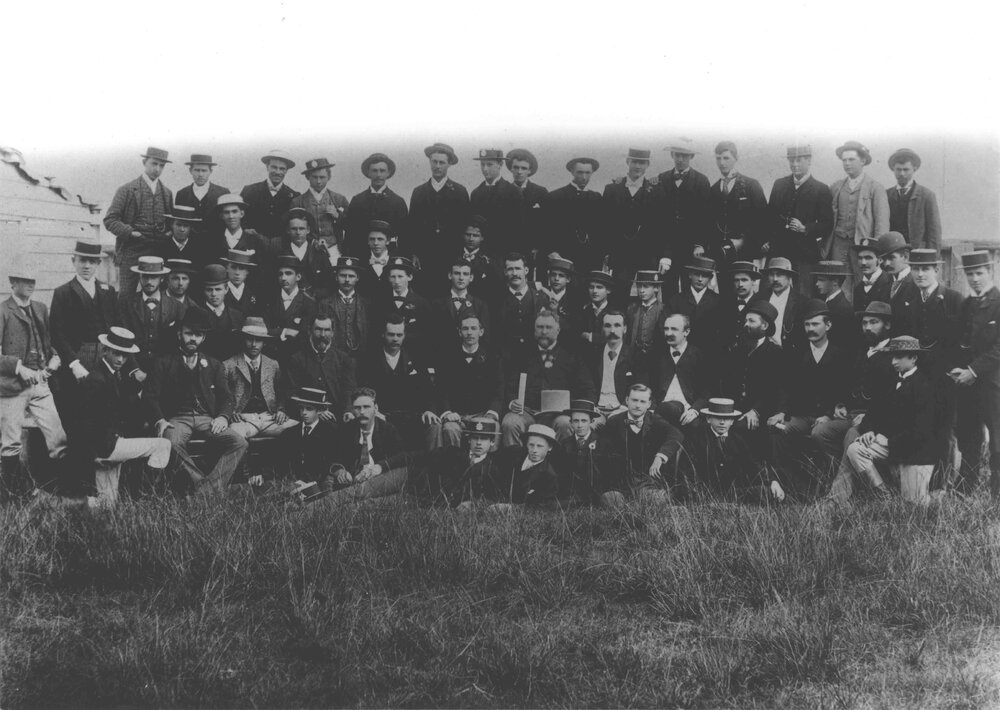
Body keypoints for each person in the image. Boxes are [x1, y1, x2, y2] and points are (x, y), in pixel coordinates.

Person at [144, 308, 248, 495]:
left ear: (204, 338)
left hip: (206, 418)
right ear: (179, 334)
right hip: (177, 418)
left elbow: (227, 397)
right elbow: (150, 396)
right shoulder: (163, 362)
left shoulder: (214, 364)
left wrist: (223, 417)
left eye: (198, 335)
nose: (193, 338)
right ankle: (205, 488)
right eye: (189, 333)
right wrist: (160, 420)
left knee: (239, 442)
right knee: (171, 442)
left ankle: (207, 489)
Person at [827, 336, 937, 505]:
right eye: (893, 357)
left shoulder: (924, 386)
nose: (894, 361)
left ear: (914, 358)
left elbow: (922, 431)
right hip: (891, 449)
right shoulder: (891, 381)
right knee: (855, 449)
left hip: (916, 453)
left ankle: (936, 495)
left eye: (899, 357)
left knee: (914, 507)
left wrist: (889, 441)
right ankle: (882, 495)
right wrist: (870, 429)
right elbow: (875, 412)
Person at [77, 328, 172, 509]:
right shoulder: (97, 379)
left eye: (125, 356)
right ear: (105, 350)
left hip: (107, 445)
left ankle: (64, 504)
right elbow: (85, 420)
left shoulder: (111, 374)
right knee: (163, 445)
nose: (121, 359)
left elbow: (117, 407)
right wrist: (93, 454)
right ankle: (147, 499)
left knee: (106, 505)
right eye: (116, 354)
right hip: (106, 447)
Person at [0, 265, 68, 497]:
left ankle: (60, 492)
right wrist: (18, 367)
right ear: (13, 283)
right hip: (12, 389)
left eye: (33, 281)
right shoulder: (3, 311)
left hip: (40, 384)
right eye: (24, 280)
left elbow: (46, 343)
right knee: (10, 443)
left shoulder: (39, 308)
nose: (30, 284)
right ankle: (12, 496)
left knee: (58, 438)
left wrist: (55, 358)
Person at [769, 299, 853, 479]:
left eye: (815, 324)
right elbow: (785, 386)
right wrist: (781, 411)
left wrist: (829, 414)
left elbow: (845, 390)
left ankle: (831, 480)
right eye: (807, 324)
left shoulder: (842, 355)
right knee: (779, 429)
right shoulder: (796, 354)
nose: (810, 329)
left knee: (819, 434)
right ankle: (781, 482)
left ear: (828, 325)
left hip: (827, 416)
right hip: (802, 415)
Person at [501, 311, 596, 446]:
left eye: (548, 327)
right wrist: (512, 402)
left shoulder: (572, 355)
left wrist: (575, 410)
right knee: (510, 423)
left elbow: (588, 389)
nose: (544, 331)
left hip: (560, 414)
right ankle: (515, 464)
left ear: (558, 330)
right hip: (528, 412)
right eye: (540, 327)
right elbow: (510, 386)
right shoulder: (522, 353)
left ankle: (562, 464)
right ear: (534, 330)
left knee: (565, 424)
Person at [950, 251, 1000, 497]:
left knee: (998, 442)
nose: (975, 279)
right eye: (970, 274)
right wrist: (958, 369)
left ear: (989, 272)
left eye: (979, 273)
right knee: (968, 438)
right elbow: (961, 341)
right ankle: (964, 489)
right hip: (968, 386)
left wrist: (973, 370)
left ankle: (997, 495)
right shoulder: (967, 304)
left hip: (993, 384)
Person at [358, 315, 441, 451]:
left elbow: (429, 390)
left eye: (399, 335)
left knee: (434, 425)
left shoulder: (416, 358)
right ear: (383, 334)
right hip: (383, 415)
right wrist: (373, 410)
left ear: (404, 336)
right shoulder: (369, 359)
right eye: (391, 334)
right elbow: (363, 391)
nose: (395, 339)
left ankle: (433, 468)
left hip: (411, 417)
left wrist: (429, 410)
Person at [684, 398, 785, 503]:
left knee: (769, 492)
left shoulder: (737, 440)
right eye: (718, 418)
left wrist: (772, 481)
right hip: (706, 492)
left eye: (727, 418)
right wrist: (702, 494)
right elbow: (689, 471)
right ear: (708, 419)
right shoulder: (697, 438)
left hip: (735, 492)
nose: (722, 422)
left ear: (732, 421)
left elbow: (753, 465)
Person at [103, 147, 174, 295]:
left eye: (162, 166)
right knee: (126, 296)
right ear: (144, 162)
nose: (157, 169)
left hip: (159, 251)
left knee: (158, 295)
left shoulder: (167, 193)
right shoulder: (127, 190)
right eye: (154, 164)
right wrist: (130, 233)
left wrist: (168, 233)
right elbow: (110, 220)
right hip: (132, 250)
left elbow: (171, 222)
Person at [322, 387, 412, 502]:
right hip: (351, 480)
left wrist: (378, 468)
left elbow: (401, 458)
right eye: (357, 408)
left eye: (366, 407)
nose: (362, 412)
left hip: (379, 479)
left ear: (376, 408)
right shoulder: (346, 430)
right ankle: (329, 503)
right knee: (328, 479)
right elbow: (332, 457)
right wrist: (340, 471)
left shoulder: (388, 430)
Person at [599, 384, 684, 504]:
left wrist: (660, 456)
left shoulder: (655, 421)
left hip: (645, 481)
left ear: (649, 404)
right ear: (627, 400)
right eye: (634, 400)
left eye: (642, 401)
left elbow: (676, 434)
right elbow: (603, 453)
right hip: (619, 481)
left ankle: (643, 499)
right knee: (610, 500)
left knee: (657, 499)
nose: (638, 405)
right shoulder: (614, 422)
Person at [765, 145, 833, 292]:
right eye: (791, 160)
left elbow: (827, 224)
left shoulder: (821, 189)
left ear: (809, 160)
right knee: (770, 290)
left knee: (803, 293)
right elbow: (769, 216)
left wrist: (805, 228)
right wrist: (767, 240)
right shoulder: (779, 184)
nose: (794, 164)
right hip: (778, 249)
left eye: (799, 160)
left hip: (804, 253)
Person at [720, 300, 783, 459]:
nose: (746, 324)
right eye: (745, 320)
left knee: (739, 430)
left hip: (762, 409)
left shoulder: (774, 353)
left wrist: (755, 411)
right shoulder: (736, 348)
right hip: (735, 407)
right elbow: (728, 382)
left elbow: (773, 389)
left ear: (764, 326)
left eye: (751, 321)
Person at [50, 241, 123, 378]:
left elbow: (117, 324)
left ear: (98, 263)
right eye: (82, 260)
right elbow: (56, 333)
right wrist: (74, 363)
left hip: (106, 355)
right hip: (78, 356)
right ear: (73, 261)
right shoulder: (63, 292)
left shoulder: (109, 291)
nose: (87, 266)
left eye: (92, 261)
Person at [827, 141, 890, 292]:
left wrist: (876, 251)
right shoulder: (836, 187)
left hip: (863, 247)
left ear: (862, 161)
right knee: (838, 283)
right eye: (844, 160)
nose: (847, 164)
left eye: (851, 160)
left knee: (863, 284)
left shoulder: (875, 188)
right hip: (839, 245)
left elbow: (882, 224)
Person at [407, 142, 470, 288]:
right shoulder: (419, 192)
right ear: (429, 162)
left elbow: (464, 224)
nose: (437, 166)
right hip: (424, 255)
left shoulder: (460, 192)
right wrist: (414, 253)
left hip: (450, 254)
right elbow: (412, 225)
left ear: (449, 165)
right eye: (434, 162)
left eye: (442, 162)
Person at [223, 318, 297, 441]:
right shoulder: (229, 365)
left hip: (269, 418)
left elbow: (280, 391)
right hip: (243, 419)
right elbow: (223, 395)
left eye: (258, 340)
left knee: (297, 429)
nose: (253, 344)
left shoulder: (273, 364)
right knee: (235, 436)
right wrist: (230, 413)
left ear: (264, 342)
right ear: (243, 339)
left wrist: (281, 410)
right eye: (249, 339)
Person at [405, 417, 500, 509]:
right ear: (469, 440)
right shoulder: (453, 453)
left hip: (440, 508)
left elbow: (493, 498)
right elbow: (424, 457)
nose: (478, 443)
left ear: (492, 442)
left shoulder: (493, 467)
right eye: (475, 438)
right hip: (412, 479)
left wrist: (473, 504)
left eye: (483, 439)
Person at [655, 139, 711, 294]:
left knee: (690, 289)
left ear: (691, 157)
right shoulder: (662, 178)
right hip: (667, 246)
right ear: (672, 155)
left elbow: (705, 217)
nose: (680, 159)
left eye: (684, 156)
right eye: (677, 155)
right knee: (668, 288)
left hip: (691, 246)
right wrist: (664, 252)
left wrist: (699, 244)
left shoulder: (701, 181)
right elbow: (658, 216)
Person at [437, 314, 503, 446]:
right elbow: (441, 388)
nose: (469, 332)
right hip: (456, 416)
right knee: (450, 429)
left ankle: (487, 466)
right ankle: (453, 466)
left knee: (492, 427)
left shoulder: (492, 357)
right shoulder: (447, 357)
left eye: (473, 328)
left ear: (481, 332)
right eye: (465, 329)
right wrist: (447, 412)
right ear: (459, 332)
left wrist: (491, 413)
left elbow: (499, 388)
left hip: (482, 414)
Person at [282, 313, 358, 423]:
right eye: (318, 329)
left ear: (332, 333)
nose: (322, 335)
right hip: (308, 417)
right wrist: (317, 412)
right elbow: (291, 393)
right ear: (310, 331)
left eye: (327, 330)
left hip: (338, 416)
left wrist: (348, 411)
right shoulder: (297, 359)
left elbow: (349, 390)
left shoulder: (343, 359)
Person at [703, 141, 768, 267]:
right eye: (718, 158)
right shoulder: (714, 189)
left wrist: (744, 241)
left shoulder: (751, 185)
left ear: (736, 158)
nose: (722, 163)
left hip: (744, 251)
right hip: (719, 253)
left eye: (726, 158)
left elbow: (762, 219)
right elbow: (710, 222)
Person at [602, 148, 660, 287]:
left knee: (646, 293)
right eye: (634, 162)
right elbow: (604, 223)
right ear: (628, 162)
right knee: (619, 294)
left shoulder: (657, 190)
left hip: (647, 254)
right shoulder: (612, 189)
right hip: (620, 253)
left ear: (648, 165)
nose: (638, 166)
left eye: (642, 163)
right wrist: (606, 251)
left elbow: (661, 224)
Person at [119, 256, 184, 375]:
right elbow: (123, 340)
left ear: (162, 278)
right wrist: (134, 369)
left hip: (165, 372)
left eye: (154, 277)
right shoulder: (126, 304)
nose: (149, 282)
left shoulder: (175, 306)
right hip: (133, 370)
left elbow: (178, 344)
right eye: (145, 276)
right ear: (139, 277)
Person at [543, 157, 605, 274]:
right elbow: (546, 227)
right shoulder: (556, 197)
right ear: (572, 172)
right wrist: (551, 250)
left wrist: (600, 253)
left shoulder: (597, 198)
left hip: (591, 257)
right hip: (564, 255)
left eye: (588, 173)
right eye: (580, 172)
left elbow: (601, 228)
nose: (584, 177)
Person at [273, 388, 338, 495]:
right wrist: (292, 480)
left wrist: (311, 481)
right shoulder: (289, 433)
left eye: (309, 409)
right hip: (294, 483)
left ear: (320, 410)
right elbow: (281, 461)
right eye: (301, 408)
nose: (304, 413)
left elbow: (330, 461)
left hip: (320, 482)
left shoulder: (329, 433)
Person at [482, 424, 560, 510]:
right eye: (531, 445)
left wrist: (511, 508)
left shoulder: (549, 475)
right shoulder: (513, 453)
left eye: (540, 446)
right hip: (490, 499)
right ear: (526, 444)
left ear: (550, 448)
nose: (534, 450)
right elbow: (491, 459)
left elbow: (541, 505)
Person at [653, 313, 712, 428]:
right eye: (666, 329)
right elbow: (649, 384)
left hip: (688, 411)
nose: (668, 333)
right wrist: (651, 407)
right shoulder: (656, 355)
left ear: (686, 332)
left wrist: (695, 410)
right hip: (660, 410)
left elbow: (707, 390)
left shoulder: (699, 356)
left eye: (674, 329)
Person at [344, 153, 408, 257]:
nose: (378, 175)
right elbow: (350, 235)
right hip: (361, 255)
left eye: (382, 171)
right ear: (368, 173)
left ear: (388, 173)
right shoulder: (358, 201)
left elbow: (404, 235)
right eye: (374, 171)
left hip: (390, 256)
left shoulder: (398, 202)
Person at [372, 256, 433, 362]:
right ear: (388, 278)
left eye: (400, 276)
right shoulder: (380, 302)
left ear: (410, 277)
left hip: (414, 357)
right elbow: (376, 331)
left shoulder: (421, 303)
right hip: (386, 358)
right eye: (393, 277)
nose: (396, 281)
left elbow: (427, 334)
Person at [586, 309, 643, 418]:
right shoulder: (592, 355)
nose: (612, 330)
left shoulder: (636, 356)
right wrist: (591, 408)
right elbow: (587, 385)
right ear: (602, 329)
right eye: (607, 325)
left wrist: (625, 408)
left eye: (617, 325)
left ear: (625, 329)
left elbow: (639, 386)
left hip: (622, 409)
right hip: (596, 409)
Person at [470, 149, 525, 258]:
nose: (485, 169)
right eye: (482, 164)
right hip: (481, 254)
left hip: (504, 252)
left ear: (500, 165)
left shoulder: (513, 192)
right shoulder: (476, 193)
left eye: (489, 164)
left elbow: (518, 228)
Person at [665, 255, 723, 355]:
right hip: (681, 354)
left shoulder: (718, 302)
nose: (700, 279)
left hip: (709, 355)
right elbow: (666, 327)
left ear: (710, 277)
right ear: (690, 275)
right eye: (696, 274)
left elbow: (722, 333)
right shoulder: (676, 300)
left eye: (704, 275)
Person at [886, 148, 941, 251]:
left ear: (914, 169)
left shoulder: (926, 195)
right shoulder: (886, 195)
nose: (902, 173)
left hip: (917, 253)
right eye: (898, 169)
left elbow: (934, 232)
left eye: (906, 169)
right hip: (893, 252)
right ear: (893, 169)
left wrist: (933, 258)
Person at [430, 258, 492, 349]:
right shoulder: (437, 304)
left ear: (471, 278)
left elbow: (485, 337)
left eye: (465, 274)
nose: (461, 278)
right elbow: (432, 335)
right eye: (457, 273)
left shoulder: (480, 305)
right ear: (450, 275)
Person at [497, 252, 549, 357]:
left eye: (518, 268)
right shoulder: (497, 300)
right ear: (505, 272)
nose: (515, 273)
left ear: (526, 270)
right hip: (506, 359)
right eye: (510, 269)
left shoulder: (541, 298)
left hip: (534, 358)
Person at [240, 150, 300, 240]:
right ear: (267, 167)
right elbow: (239, 218)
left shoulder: (294, 196)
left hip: (281, 249)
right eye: (274, 167)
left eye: (282, 169)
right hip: (252, 246)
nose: (277, 172)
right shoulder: (249, 191)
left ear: (286, 171)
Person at [291, 157, 349, 249]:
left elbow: (350, 226)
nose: (318, 181)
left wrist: (338, 216)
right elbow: (292, 230)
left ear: (329, 177)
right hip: (307, 250)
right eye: (314, 177)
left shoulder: (339, 199)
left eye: (322, 177)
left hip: (334, 249)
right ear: (308, 177)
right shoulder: (297, 202)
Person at [556, 399, 605, 507]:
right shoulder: (564, 444)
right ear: (571, 422)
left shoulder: (602, 443)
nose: (579, 425)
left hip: (595, 492)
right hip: (572, 494)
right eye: (576, 421)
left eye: (584, 421)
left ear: (591, 422)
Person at [319, 257, 370, 360]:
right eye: (343, 275)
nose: (347, 280)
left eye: (351, 276)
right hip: (333, 358)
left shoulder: (366, 304)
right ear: (336, 277)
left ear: (357, 278)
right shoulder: (325, 304)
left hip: (359, 358)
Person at [752, 257, 806, 354]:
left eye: (780, 274)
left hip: (789, 354)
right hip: (762, 353)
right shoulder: (759, 298)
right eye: (771, 275)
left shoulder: (801, 302)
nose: (775, 279)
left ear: (789, 277)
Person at [266, 255, 317, 356]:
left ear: (298, 276)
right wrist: (286, 331)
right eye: (280, 274)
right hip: (271, 354)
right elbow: (264, 330)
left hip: (297, 356)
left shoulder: (308, 303)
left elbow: (305, 335)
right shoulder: (269, 300)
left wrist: (276, 332)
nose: (283, 278)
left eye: (288, 273)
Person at [277, 208, 332, 299]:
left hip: (314, 301)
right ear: (288, 230)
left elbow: (329, 281)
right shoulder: (281, 252)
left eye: (302, 229)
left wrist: (316, 295)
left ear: (308, 230)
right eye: (294, 229)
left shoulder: (318, 251)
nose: (298, 233)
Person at [506, 148, 548, 266]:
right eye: (516, 167)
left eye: (523, 168)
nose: (519, 172)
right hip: (509, 247)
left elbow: (545, 223)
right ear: (511, 169)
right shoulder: (504, 191)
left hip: (533, 250)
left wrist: (538, 246)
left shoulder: (540, 192)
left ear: (529, 170)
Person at [198, 264, 245, 362]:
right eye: (209, 290)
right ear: (203, 290)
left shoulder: (237, 316)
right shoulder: (197, 314)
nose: (213, 294)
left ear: (226, 289)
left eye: (218, 289)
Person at [174, 153, 229, 236]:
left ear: (211, 171)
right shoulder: (182, 194)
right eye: (197, 170)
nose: (200, 174)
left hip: (216, 243)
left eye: (204, 170)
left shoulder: (223, 193)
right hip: (190, 243)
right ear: (190, 171)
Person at [878, 231, 919, 336]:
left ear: (905, 256)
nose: (886, 263)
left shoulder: (917, 284)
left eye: (891, 258)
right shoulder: (884, 284)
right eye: (884, 259)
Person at [625, 270, 666, 376]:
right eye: (639, 286)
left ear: (656, 288)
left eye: (646, 286)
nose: (641, 290)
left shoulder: (663, 309)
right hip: (634, 357)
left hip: (655, 358)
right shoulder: (631, 309)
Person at [812, 260, 857, 351]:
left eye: (821, 280)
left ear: (835, 282)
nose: (817, 284)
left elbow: (843, 345)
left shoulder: (843, 309)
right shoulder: (827, 302)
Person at [719, 261, 761, 350]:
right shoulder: (724, 304)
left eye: (744, 280)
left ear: (753, 281)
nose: (740, 284)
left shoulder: (760, 304)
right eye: (736, 280)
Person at [155, 205, 211, 271]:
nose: (182, 229)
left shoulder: (199, 248)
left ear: (191, 227)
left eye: (186, 226)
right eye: (178, 225)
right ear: (172, 225)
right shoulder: (161, 246)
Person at [539, 255, 581, 341]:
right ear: (549, 276)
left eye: (561, 275)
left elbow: (574, 329)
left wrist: (555, 313)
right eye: (553, 274)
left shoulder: (574, 301)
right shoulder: (540, 295)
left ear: (568, 279)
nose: (556, 279)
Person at [221, 249, 264, 317]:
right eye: (233, 267)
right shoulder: (220, 292)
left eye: (241, 268)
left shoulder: (253, 293)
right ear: (227, 268)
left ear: (247, 271)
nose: (237, 273)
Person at [579, 269, 615, 348]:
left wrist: (590, 337)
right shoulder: (583, 311)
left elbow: (614, 339)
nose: (594, 291)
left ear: (608, 290)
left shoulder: (615, 313)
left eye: (599, 287)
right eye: (591, 287)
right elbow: (577, 336)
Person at [852, 239, 892, 310]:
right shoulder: (858, 288)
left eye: (868, 258)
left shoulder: (891, 283)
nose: (863, 262)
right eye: (860, 258)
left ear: (880, 260)